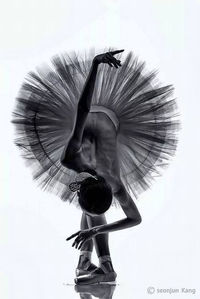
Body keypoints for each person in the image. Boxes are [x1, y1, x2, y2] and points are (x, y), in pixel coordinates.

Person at [12, 48, 179, 285]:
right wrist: (94, 65)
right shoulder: (78, 162)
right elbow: (83, 109)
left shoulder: (82, 164)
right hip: (99, 119)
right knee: (92, 207)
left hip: (107, 124)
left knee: (92, 207)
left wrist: (96, 230)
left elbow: (135, 219)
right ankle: (97, 263)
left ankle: (94, 263)